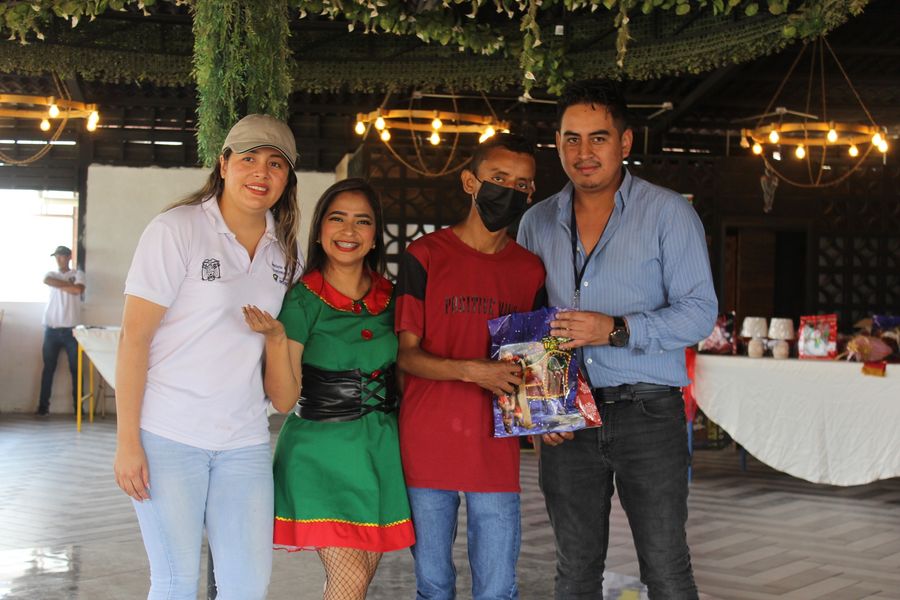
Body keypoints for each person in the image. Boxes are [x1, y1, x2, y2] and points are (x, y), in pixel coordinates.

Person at [516, 79, 718, 599]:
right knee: (574, 571)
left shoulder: (668, 212)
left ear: (625, 142)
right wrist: (542, 409)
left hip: (648, 412)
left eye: (598, 138)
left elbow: (700, 313)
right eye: (572, 139)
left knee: (666, 569)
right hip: (568, 420)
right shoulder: (536, 222)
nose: (584, 152)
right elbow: (530, 320)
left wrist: (616, 329)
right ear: (557, 143)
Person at [113, 113, 301, 600]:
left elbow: (278, 379)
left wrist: (277, 339)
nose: (261, 172)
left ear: (287, 178)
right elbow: (133, 339)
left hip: (244, 440)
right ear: (223, 164)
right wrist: (128, 442)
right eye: (249, 158)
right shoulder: (176, 229)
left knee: (247, 587)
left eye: (276, 164)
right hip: (169, 435)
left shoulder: (284, 253)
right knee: (175, 583)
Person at [243, 178, 415, 600]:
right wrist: (276, 339)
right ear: (320, 230)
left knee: (354, 582)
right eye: (337, 219)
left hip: (378, 453)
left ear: (375, 235)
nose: (349, 231)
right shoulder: (303, 299)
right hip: (320, 454)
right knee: (350, 579)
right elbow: (284, 399)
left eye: (362, 221)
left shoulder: (393, 298)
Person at [395, 134, 547, 600]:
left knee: (497, 588)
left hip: (495, 449)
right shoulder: (424, 256)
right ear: (470, 182)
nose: (510, 191)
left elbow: (535, 362)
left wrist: (549, 421)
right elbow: (406, 355)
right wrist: (472, 371)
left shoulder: (531, 271)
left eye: (522, 185)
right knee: (433, 585)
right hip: (426, 442)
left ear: (530, 195)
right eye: (499, 178)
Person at [36, 245, 86, 416]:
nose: (58, 259)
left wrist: (62, 285)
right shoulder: (51, 274)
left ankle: (79, 408)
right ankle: (43, 408)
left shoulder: (78, 274)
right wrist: (68, 286)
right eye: (56, 256)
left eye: (61, 256)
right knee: (48, 369)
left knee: (76, 369)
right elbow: (47, 280)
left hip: (72, 330)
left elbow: (78, 289)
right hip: (51, 329)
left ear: (69, 257)